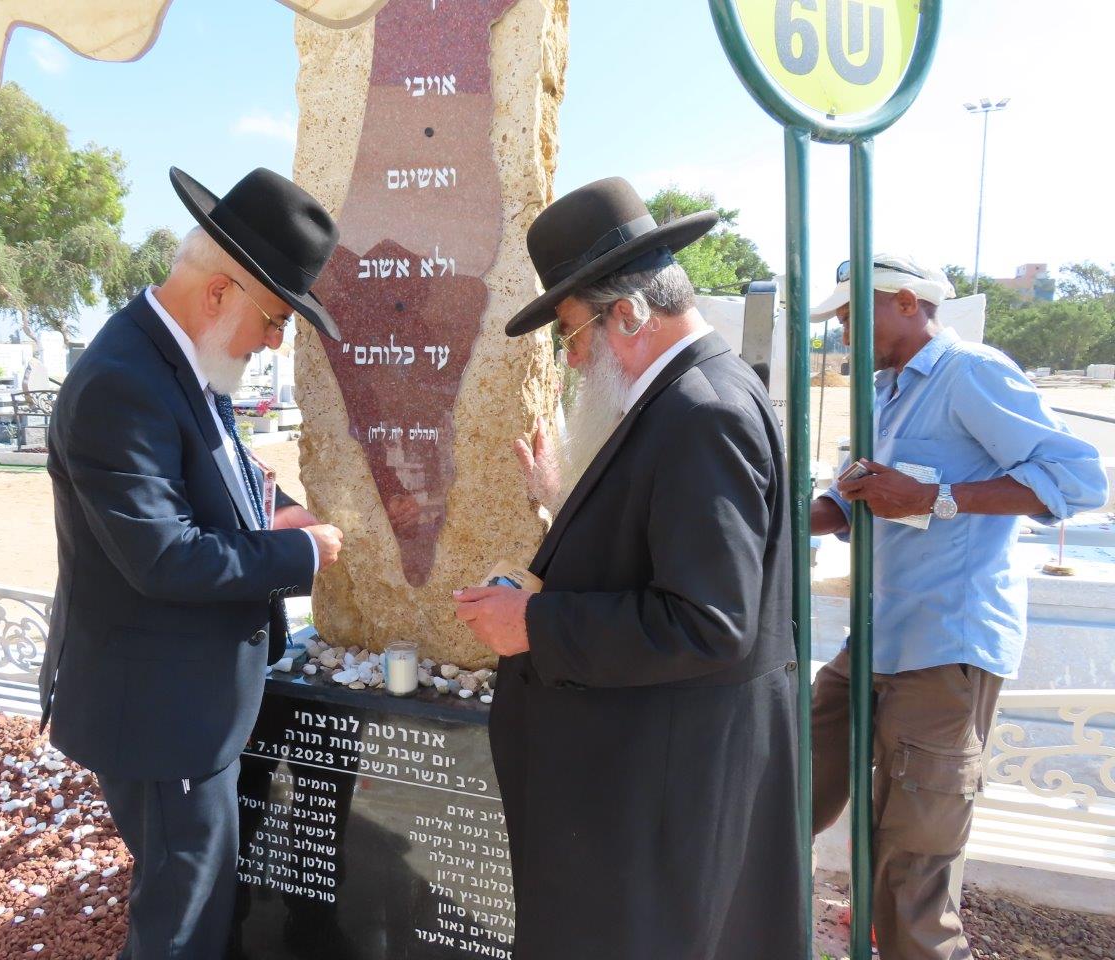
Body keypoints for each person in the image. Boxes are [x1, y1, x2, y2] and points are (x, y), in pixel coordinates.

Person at [454, 177, 805, 958]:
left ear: (629, 314)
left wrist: (533, 623)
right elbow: (659, 545)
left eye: (572, 334)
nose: (572, 360)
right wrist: (562, 511)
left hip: (662, 798)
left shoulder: (700, 412)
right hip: (650, 781)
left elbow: (708, 622)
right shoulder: (684, 397)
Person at [39, 166, 346, 959]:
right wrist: (301, 553)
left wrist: (275, 511)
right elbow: (165, 556)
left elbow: (219, 474)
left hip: (186, 704)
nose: (276, 340)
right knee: (184, 918)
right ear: (220, 293)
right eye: (277, 317)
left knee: (201, 897)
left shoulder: (184, 360)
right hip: (158, 714)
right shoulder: (121, 383)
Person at [808, 255, 1109, 960]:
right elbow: (863, 507)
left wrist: (935, 497)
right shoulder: (886, 394)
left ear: (907, 301)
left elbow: (1078, 478)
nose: (845, 336)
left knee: (911, 867)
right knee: (790, 785)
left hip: (945, 648)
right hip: (876, 639)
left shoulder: (969, 372)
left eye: (853, 318)